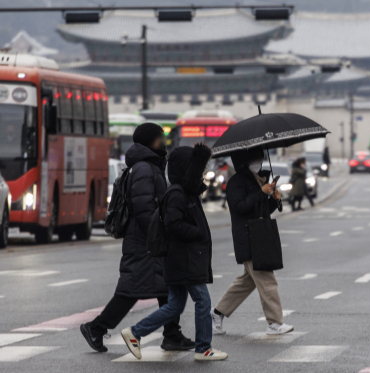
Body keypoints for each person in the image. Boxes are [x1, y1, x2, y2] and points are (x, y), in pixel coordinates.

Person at [81, 123, 194, 353]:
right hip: (144, 242)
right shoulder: (144, 168)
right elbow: (144, 209)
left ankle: (172, 334)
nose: (163, 141)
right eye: (159, 138)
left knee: (165, 286)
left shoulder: (150, 165)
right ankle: (96, 327)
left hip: (149, 240)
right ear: (150, 141)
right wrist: (161, 229)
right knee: (130, 291)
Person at [121, 143, 227, 361]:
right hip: (184, 259)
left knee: (175, 305)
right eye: (195, 168)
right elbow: (173, 225)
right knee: (203, 301)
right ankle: (203, 348)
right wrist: (197, 232)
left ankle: (135, 332)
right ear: (185, 169)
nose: (199, 173)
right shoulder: (177, 193)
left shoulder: (186, 192)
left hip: (183, 259)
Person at [211, 147, 294, 335]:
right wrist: (261, 192)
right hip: (248, 238)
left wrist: (274, 200)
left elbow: (261, 211)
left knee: (247, 282)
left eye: (261, 158)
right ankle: (274, 323)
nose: (260, 162)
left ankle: (217, 312)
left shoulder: (258, 180)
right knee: (267, 279)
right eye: (256, 158)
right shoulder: (236, 183)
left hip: (260, 237)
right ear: (244, 162)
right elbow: (240, 208)